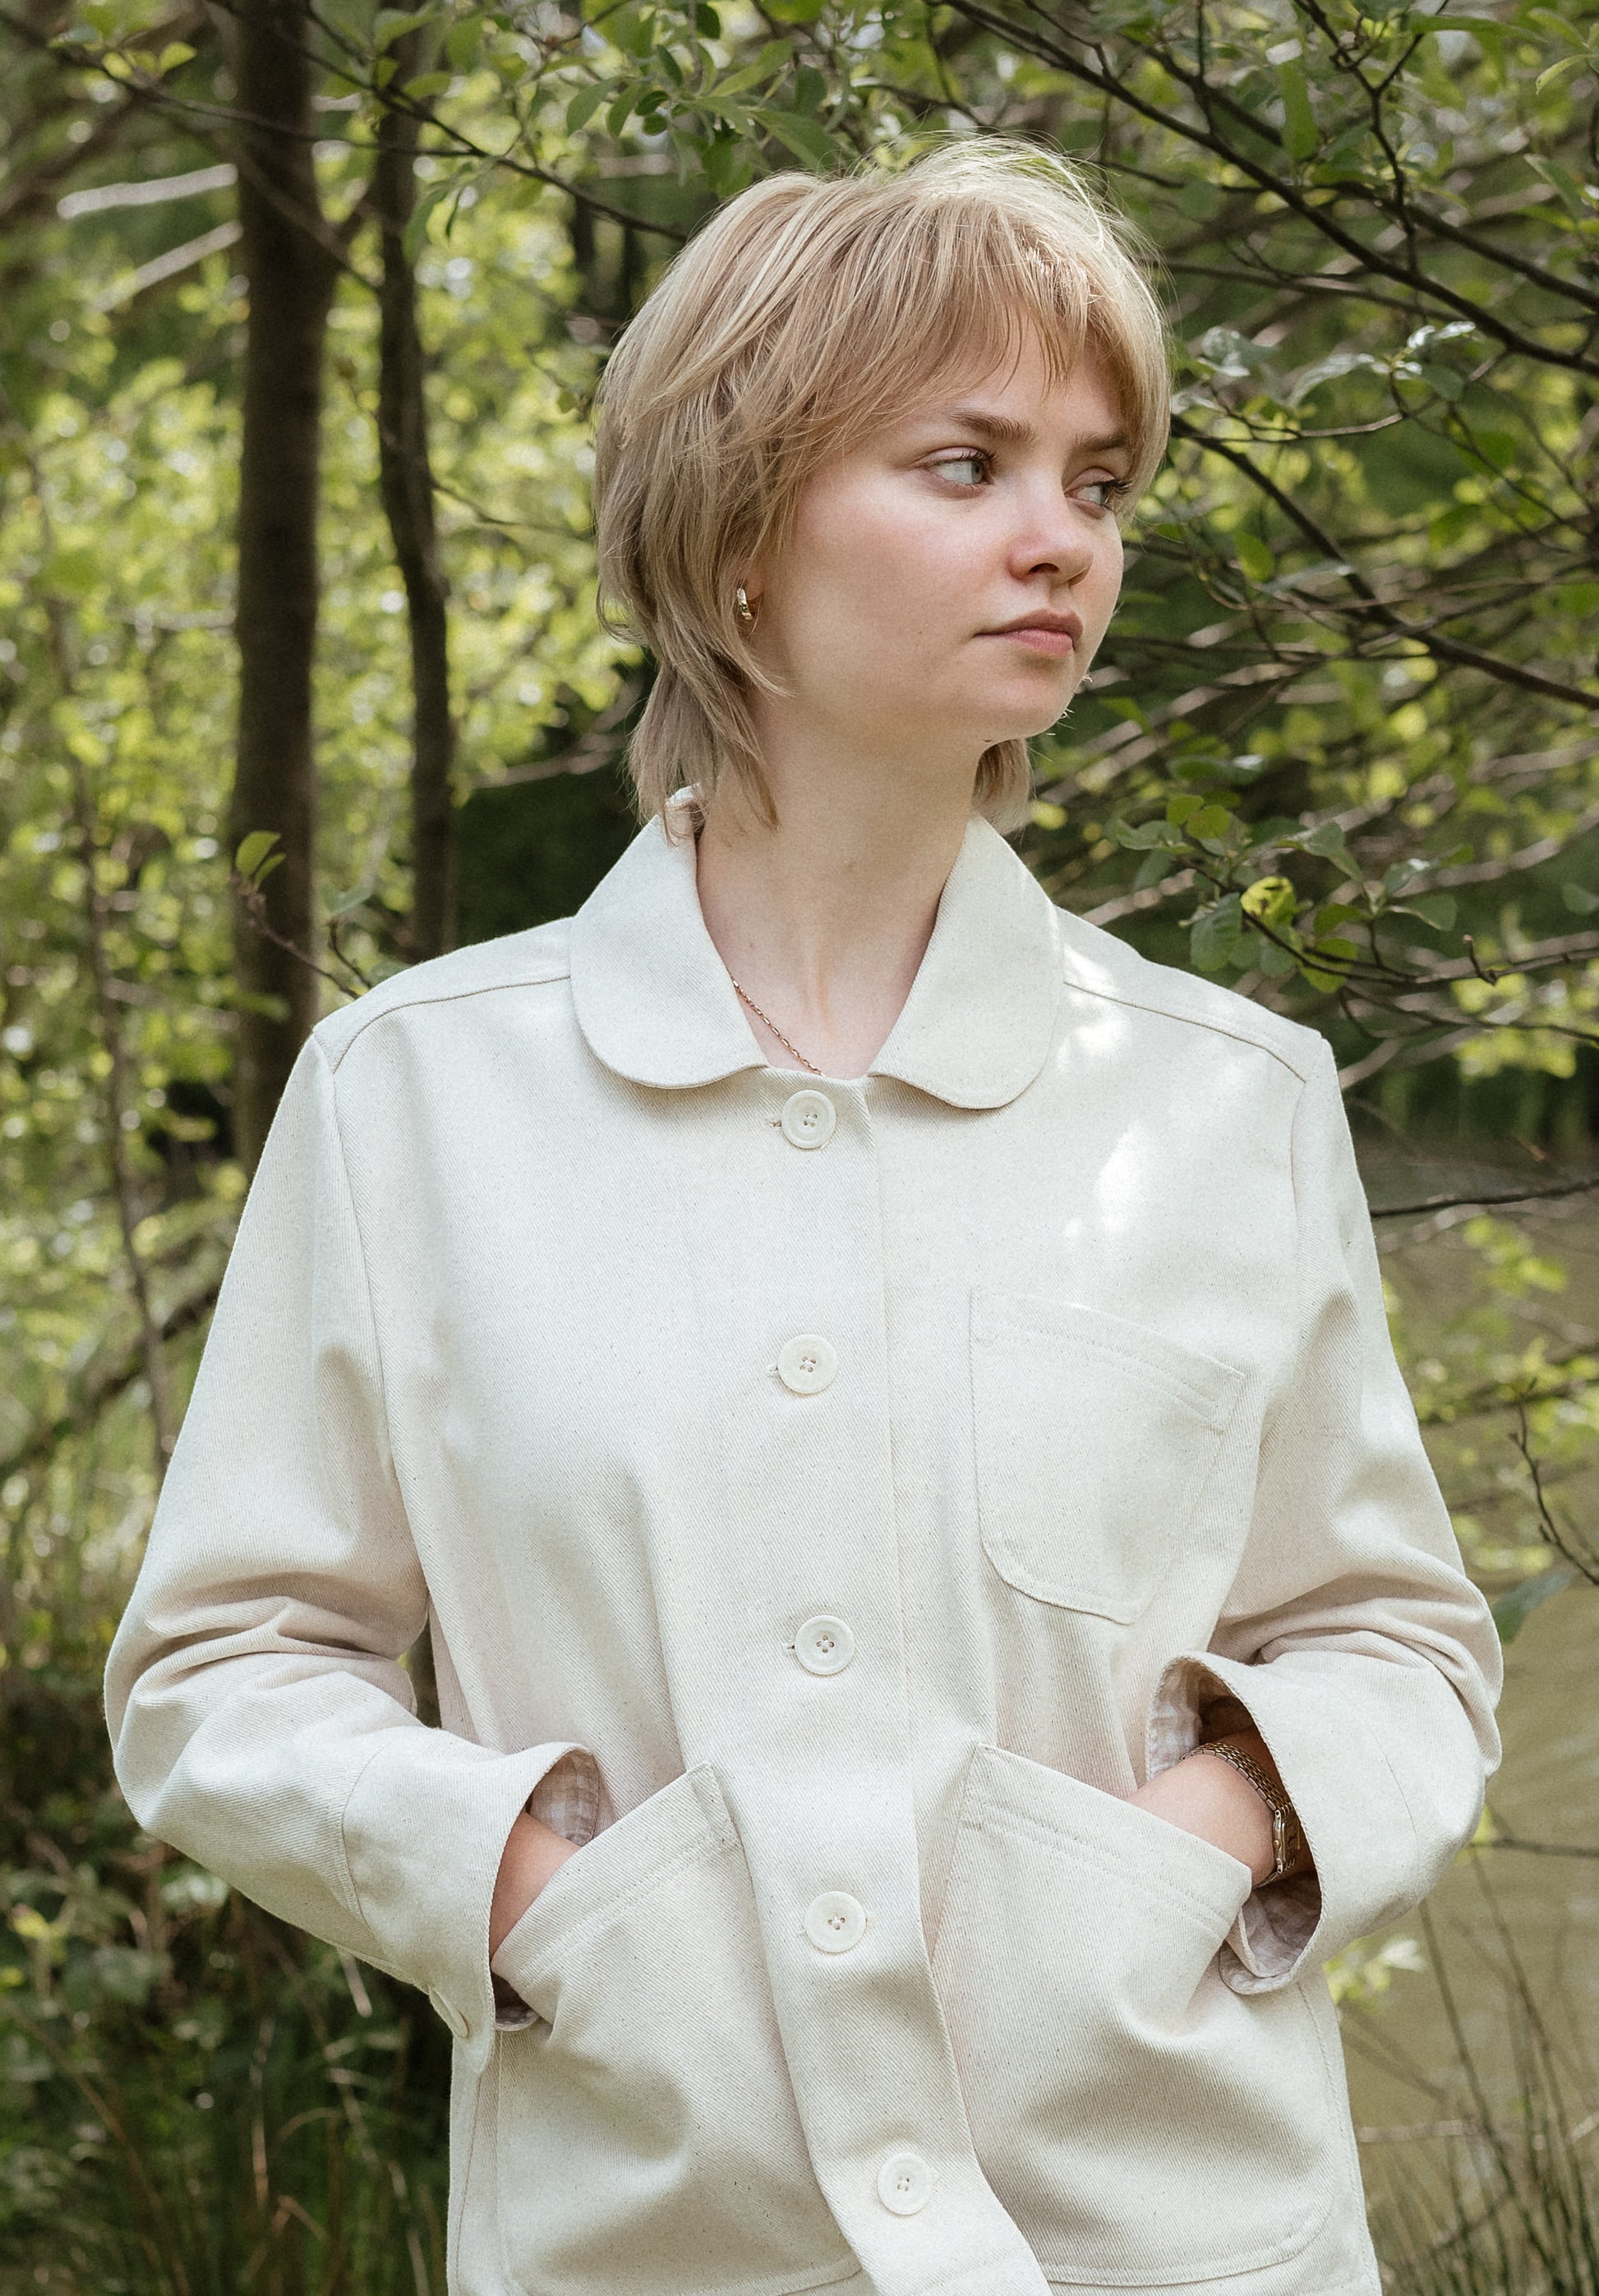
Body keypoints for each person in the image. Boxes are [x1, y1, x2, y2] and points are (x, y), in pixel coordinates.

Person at [104, 141, 1503, 2296]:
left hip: (1175, 2239)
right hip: (649, 2241)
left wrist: (1199, 1840)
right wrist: (523, 1885)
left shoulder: (1224, 1102)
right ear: (737, 527)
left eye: (1097, 480)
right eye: (965, 463)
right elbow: (223, 1664)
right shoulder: (419, 1100)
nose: (1061, 539)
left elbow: (1393, 1641)